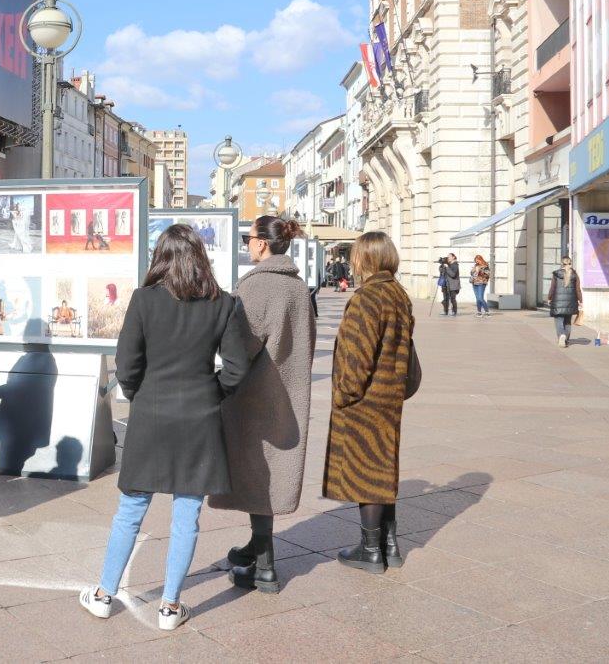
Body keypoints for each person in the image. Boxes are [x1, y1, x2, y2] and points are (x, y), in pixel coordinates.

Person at [79, 225, 253, 630]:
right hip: (199, 417)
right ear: (200, 257)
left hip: (151, 416)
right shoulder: (224, 304)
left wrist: (142, 396)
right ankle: (171, 607)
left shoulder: (144, 300)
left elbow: (127, 364)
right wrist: (213, 394)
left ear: (161, 257)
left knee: (131, 509)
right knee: (187, 513)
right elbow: (237, 367)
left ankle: (105, 594)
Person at [213, 216, 316, 593]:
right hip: (288, 390)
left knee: (257, 473)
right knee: (271, 472)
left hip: (254, 394)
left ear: (261, 244)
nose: (247, 245)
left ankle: (266, 565)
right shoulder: (298, 287)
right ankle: (258, 547)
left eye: (249, 239)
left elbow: (241, 345)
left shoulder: (255, 287)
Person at [323, 231, 418, 575]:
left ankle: (369, 550)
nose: (353, 261)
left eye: (357, 255)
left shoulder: (368, 298)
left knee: (367, 475)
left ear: (367, 259)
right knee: (383, 470)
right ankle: (389, 545)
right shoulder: (397, 294)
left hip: (365, 400)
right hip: (389, 395)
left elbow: (358, 357)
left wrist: (344, 394)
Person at [548, 256, 582, 348]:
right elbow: (578, 289)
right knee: (567, 321)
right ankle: (566, 339)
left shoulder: (556, 274)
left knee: (559, 320)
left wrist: (549, 298)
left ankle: (561, 335)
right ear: (570, 263)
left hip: (558, 302)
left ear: (561, 264)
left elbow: (552, 288)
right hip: (571, 302)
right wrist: (580, 301)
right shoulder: (574, 274)